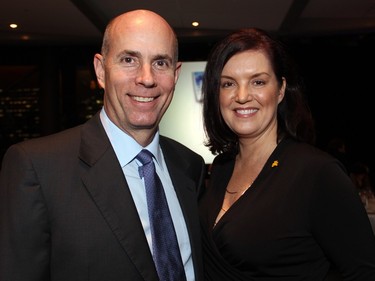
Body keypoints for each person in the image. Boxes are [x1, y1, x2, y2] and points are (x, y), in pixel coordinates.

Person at [0, 9, 205, 281]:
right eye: (129, 59)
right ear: (100, 70)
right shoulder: (38, 167)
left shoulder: (189, 165)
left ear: (175, 74)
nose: (146, 78)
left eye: (160, 63)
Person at [198, 27, 375, 280]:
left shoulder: (316, 172)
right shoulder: (221, 167)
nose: (242, 96)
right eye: (228, 84)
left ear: (280, 90)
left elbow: (364, 271)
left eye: (258, 82)